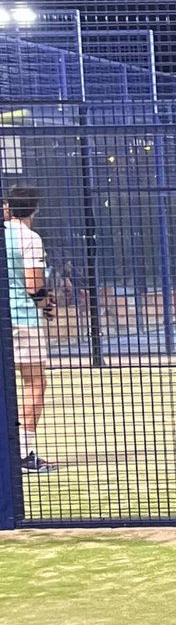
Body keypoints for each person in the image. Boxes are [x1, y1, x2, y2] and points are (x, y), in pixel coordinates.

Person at [4, 183, 55, 473]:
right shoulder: (30, 238)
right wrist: (47, 304)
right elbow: (33, 284)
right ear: (35, 209)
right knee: (34, 383)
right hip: (22, 319)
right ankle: (22, 454)